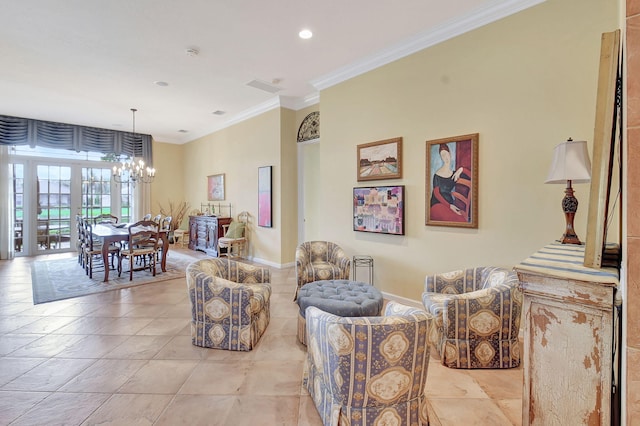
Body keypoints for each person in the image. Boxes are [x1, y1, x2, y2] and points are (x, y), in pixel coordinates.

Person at [430, 143, 470, 222]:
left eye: (446, 154)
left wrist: (461, 169)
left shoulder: (454, 174)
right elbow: (436, 194)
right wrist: (449, 206)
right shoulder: (437, 175)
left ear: (450, 154)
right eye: (442, 156)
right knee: (458, 220)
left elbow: (471, 176)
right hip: (437, 205)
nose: (445, 157)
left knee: (462, 220)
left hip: (450, 204)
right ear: (441, 158)